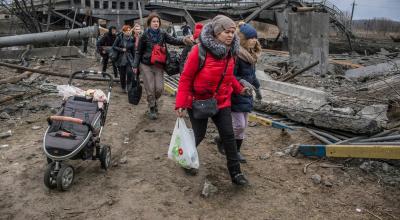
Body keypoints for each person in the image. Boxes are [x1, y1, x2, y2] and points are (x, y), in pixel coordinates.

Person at [175, 15, 252, 186]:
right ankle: (186, 158)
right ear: (217, 33)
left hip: (221, 101)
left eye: (233, 32)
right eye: (226, 32)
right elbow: (186, 78)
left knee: (229, 136)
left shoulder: (230, 52)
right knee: (199, 134)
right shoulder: (199, 51)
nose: (230, 35)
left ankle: (236, 173)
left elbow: (229, 76)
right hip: (198, 100)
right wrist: (180, 103)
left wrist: (240, 89)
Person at [215, 22, 263, 163]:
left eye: (255, 37)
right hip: (236, 94)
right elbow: (231, 75)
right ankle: (225, 143)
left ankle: (236, 151)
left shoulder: (251, 56)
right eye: (251, 37)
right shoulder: (237, 55)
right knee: (239, 125)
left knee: (243, 126)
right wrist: (242, 82)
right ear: (243, 39)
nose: (254, 40)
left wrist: (258, 89)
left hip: (247, 95)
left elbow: (252, 76)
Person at [133, 12, 193, 120]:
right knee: (150, 88)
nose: (156, 23)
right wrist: (135, 65)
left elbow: (174, 40)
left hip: (158, 64)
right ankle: (152, 107)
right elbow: (138, 52)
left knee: (159, 89)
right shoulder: (144, 35)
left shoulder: (162, 33)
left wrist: (184, 40)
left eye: (157, 22)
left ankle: (153, 101)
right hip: (145, 64)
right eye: (154, 21)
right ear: (149, 23)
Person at [112, 25, 137, 92]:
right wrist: (121, 49)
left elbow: (133, 51)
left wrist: (135, 61)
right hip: (120, 59)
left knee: (129, 73)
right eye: (127, 31)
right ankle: (123, 87)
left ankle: (129, 86)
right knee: (122, 75)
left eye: (129, 30)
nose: (128, 32)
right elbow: (114, 46)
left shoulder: (132, 39)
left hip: (129, 59)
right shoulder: (119, 38)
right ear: (123, 32)